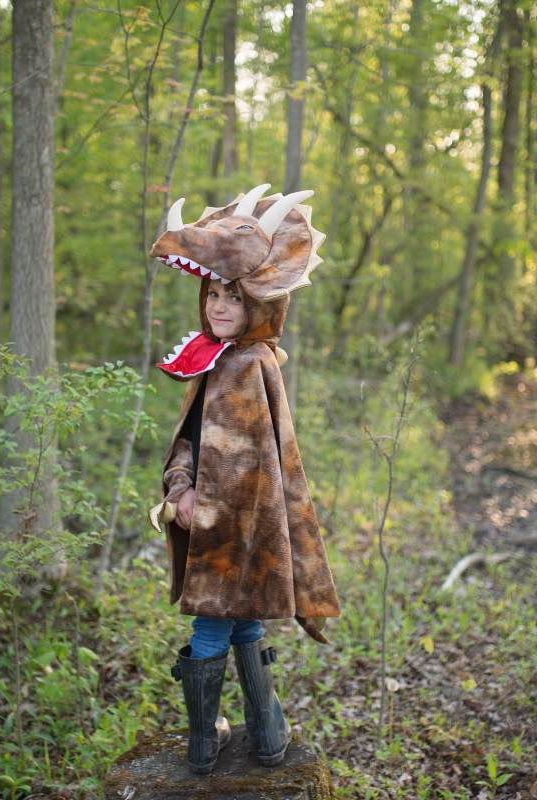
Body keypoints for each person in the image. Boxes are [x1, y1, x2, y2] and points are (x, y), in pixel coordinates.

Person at [150, 184, 341, 775]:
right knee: (237, 618)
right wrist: (180, 487)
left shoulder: (249, 364)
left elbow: (249, 465)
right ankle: (255, 733)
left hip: (233, 527)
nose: (218, 306)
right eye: (213, 294)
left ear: (260, 302)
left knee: (220, 619)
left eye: (233, 295)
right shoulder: (215, 358)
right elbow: (193, 441)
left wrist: (198, 504)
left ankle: (226, 738)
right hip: (222, 522)